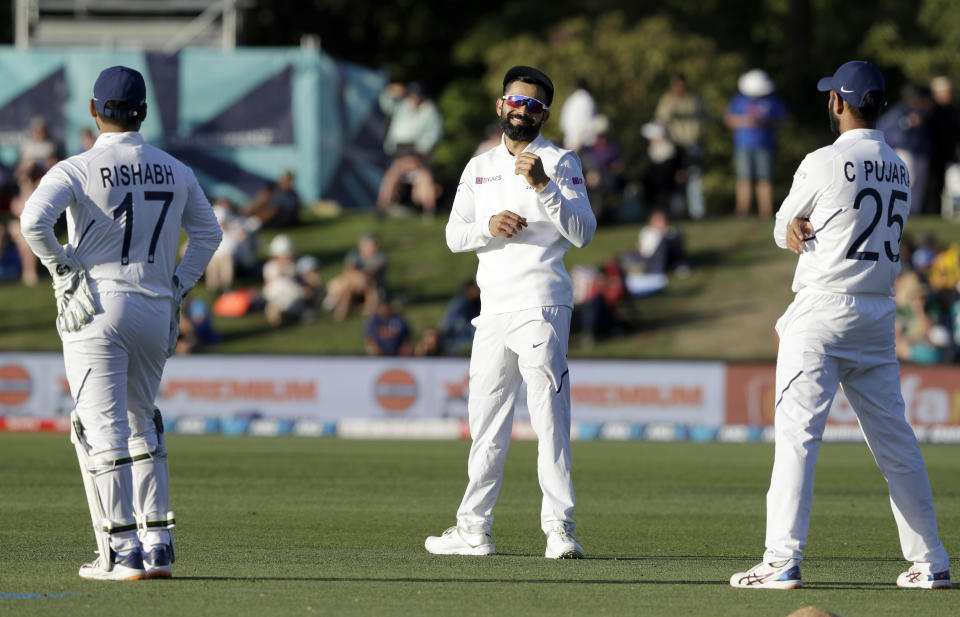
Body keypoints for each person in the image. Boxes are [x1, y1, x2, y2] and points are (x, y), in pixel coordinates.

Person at [730, 61, 951, 590]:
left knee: (798, 438)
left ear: (838, 103)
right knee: (896, 442)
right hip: (878, 311)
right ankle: (931, 561)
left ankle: (782, 560)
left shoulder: (822, 160)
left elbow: (782, 223)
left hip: (824, 306)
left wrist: (793, 225)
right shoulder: (900, 164)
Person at [19, 66, 222, 581]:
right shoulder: (176, 169)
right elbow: (209, 236)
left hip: (97, 303)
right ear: (144, 113)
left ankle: (121, 552)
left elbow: (31, 222)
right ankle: (158, 546)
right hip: (155, 305)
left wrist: (63, 269)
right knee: (142, 422)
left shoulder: (77, 167)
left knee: (99, 428)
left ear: (93, 110)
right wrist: (178, 285)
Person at [426, 65, 596, 559]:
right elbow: (455, 235)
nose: (523, 112)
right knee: (486, 424)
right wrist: (489, 225)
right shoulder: (479, 165)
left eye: (534, 106)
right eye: (516, 103)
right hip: (493, 309)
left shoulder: (560, 161)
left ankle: (559, 531)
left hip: (542, 303)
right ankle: (473, 529)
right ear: (501, 106)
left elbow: (583, 232)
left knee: (549, 420)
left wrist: (544, 186)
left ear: (545, 113)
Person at [724, 69, 787, 218]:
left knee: (764, 179)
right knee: (743, 179)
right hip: (743, 146)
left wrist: (764, 122)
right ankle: (741, 212)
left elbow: (782, 121)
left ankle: (766, 212)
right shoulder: (739, 100)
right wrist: (745, 121)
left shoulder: (772, 100)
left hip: (765, 145)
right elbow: (728, 119)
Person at [376, 82, 443, 216]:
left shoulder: (429, 110)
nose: (414, 98)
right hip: (399, 148)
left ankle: (429, 210)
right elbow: (385, 103)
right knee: (393, 175)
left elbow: (434, 133)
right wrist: (390, 90)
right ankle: (381, 207)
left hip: (417, 150)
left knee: (423, 177)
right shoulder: (402, 105)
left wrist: (419, 150)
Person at [655, 73, 708, 219]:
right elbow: (661, 120)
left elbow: (704, 118)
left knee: (694, 175)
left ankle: (697, 213)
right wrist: (672, 103)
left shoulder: (694, 98)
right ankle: (675, 212)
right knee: (674, 179)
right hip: (673, 144)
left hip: (692, 143)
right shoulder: (667, 99)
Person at [322, 232, 387, 321]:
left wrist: (358, 277)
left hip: (372, 286)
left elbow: (370, 274)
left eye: (373, 244)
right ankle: (340, 306)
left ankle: (336, 306)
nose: (372, 247)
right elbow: (348, 270)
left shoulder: (380, 256)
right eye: (367, 244)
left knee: (355, 283)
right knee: (348, 283)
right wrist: (358, 278)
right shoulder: (354, 254)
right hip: (355, 284)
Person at [559, 78, 596, 151]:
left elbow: (563, 122)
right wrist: (578, 143)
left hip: (569, 142)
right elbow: (588, 123)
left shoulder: (571, 99)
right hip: (583, 145)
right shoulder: (588, 99)